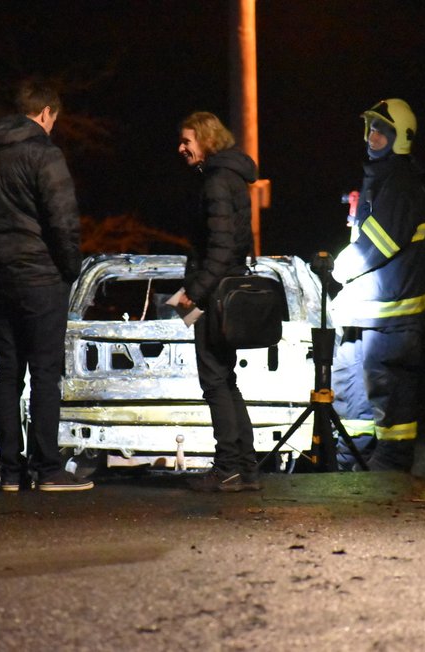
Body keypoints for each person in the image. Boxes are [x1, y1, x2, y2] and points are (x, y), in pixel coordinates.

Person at [0, 78, 91, 492]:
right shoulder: (44, 154)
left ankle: (11, 472)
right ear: (46, 114)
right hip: (41, 277)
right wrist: (70, 269)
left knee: (7, 373)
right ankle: (48, 468)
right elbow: (62, 219)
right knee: (45, 374)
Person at [329, 98, 425, 473]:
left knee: (391, 394)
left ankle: (391, 469)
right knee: (350, 391)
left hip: (392, 319)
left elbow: (379, 243)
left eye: (382, 131)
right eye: (371, 129)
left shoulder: (401, 183)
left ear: (399, 138)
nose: (372, 137)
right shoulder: (380, 179)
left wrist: (338, 269)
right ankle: (351, 462)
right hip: (365, 315)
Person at [174, 111, 260, 492]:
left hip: (215, 294)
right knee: (227, 380)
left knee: (214, 381)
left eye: (187, 141)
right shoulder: (234, 177)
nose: (181, 148)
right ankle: (246, 467)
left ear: (206, 141)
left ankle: (227, 467)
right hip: (231, 290)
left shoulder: (215, 181)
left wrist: (197, 291)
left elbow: (220, 247)